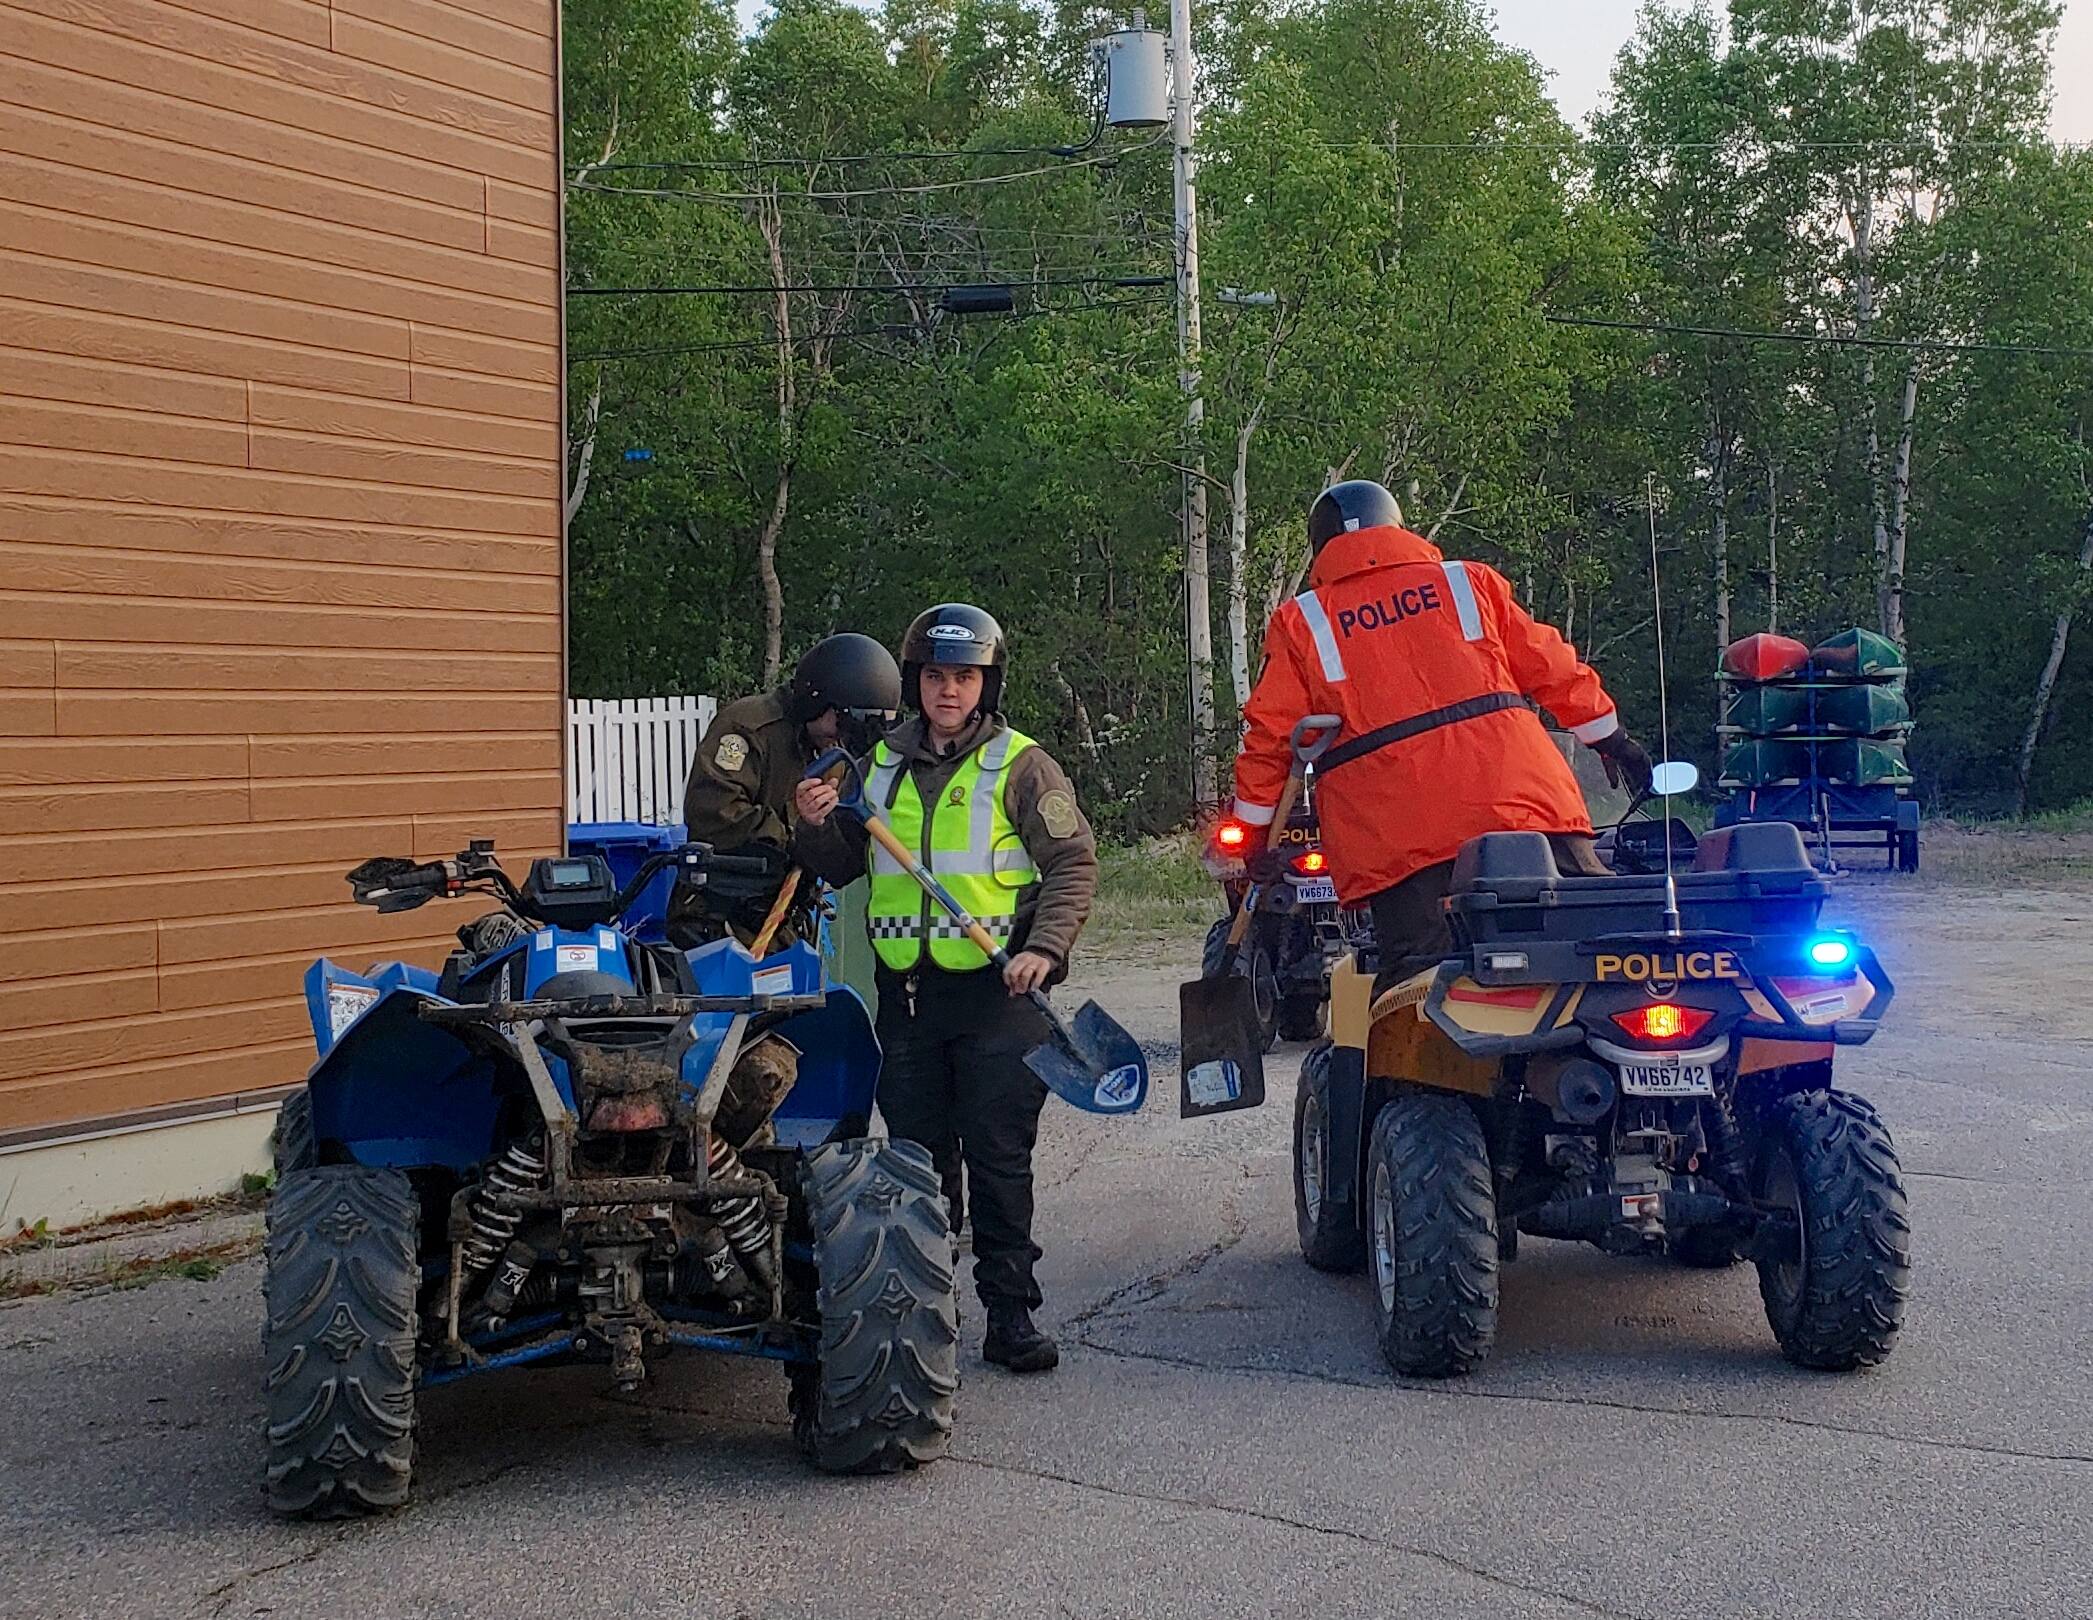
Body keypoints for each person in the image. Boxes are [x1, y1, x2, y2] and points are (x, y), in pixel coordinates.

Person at [792, 603, 1098, 1375]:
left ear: (985, 683)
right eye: (935, 676)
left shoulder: (1023, 766)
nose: (948, 691)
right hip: (909, 1005)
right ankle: (929, 1311)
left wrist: (1045, 951)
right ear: (914, 683)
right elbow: (837, 867)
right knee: (919, 1169)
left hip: (999, 999)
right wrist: (813, 823)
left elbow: (1072, 865)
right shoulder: (876, 770)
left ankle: (1010, 1313)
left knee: (999, 1164)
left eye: (963, 677)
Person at [1230, 480, 1652, 995]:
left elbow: (1272, 737)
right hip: (1525, 809)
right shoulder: (1467, 583)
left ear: (1320, 546)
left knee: (1420, 1002)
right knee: (1587, 961)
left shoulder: (1304, 620)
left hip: (1401, 840)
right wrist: (1611, 739)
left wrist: (1253, 835)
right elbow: (1552, 668)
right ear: (1397, 527)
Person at [666, 633, 901, 951]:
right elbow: (714, 814)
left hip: (787, 921)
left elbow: (838, 850)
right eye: (841, 723)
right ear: (818, 703)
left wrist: (822, 838)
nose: (841, 737)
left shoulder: (836, 754)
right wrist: (796, 834)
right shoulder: (750, 728)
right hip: (720, 919)